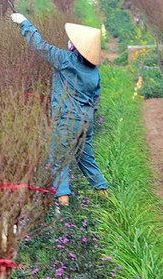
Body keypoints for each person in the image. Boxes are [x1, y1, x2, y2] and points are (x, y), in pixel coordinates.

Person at [10, 13, 108, 206]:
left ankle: (62, 210)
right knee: (87, 161)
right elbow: (95, 101)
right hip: (86, 123)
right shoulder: (94, 73)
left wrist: (24, 23)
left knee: (59, 161)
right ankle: (107, 199)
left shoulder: (66, 60)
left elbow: (39, 46)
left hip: (67, 121)